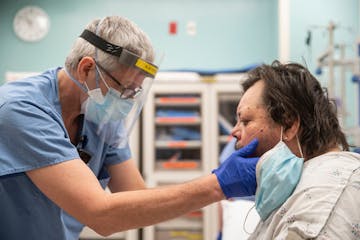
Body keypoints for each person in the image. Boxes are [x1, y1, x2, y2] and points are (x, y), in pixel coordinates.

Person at [0, 16, 260, 239]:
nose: (127, 101)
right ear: (87, 69)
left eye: (135, 92)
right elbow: (101, 215)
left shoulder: (98, 116)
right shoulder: (21, 110)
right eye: (124, 89)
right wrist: (218, 185)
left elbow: (137, 199)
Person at [231, 60, 360, 239]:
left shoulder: (325, 197)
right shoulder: (296, 185)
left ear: (290, 124)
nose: (234, 131)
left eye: (245, 121)